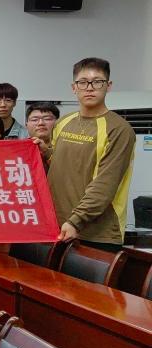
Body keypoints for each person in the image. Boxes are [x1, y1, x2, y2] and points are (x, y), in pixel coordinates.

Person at [43, 57, 135, 249]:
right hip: (57, 225)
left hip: (96, 234)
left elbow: (105, 184)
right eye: (83, 82)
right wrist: (45, 152)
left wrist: (76, 221)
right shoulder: (63, 122)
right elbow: (61, 164)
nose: (90, 88)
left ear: (108, 86)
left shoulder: (119, 129)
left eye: (97, 82)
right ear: (74, 87)